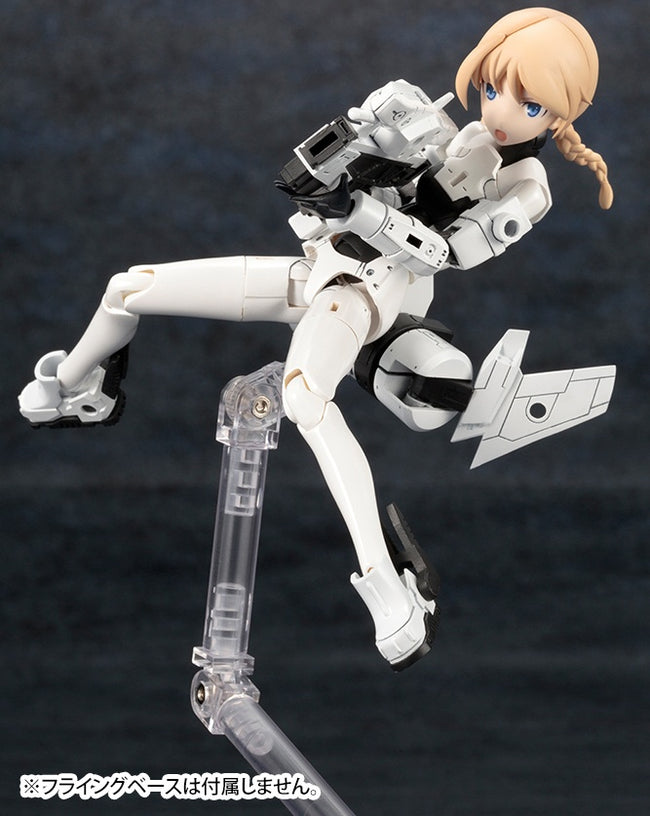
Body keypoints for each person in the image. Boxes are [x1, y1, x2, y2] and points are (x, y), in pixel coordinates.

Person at [18, 8, 612, 669]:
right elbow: (399, 180)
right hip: (323, 267)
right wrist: (365, 154)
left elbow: (445, 254)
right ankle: (79, 389)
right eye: (493, 88)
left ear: (561, 113)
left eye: (528, 103)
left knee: (304, 399)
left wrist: (362, 209)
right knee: (130, 287)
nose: (501, 110)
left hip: (371, 294)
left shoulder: (527, 188)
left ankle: (391, 588)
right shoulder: (462, 133)